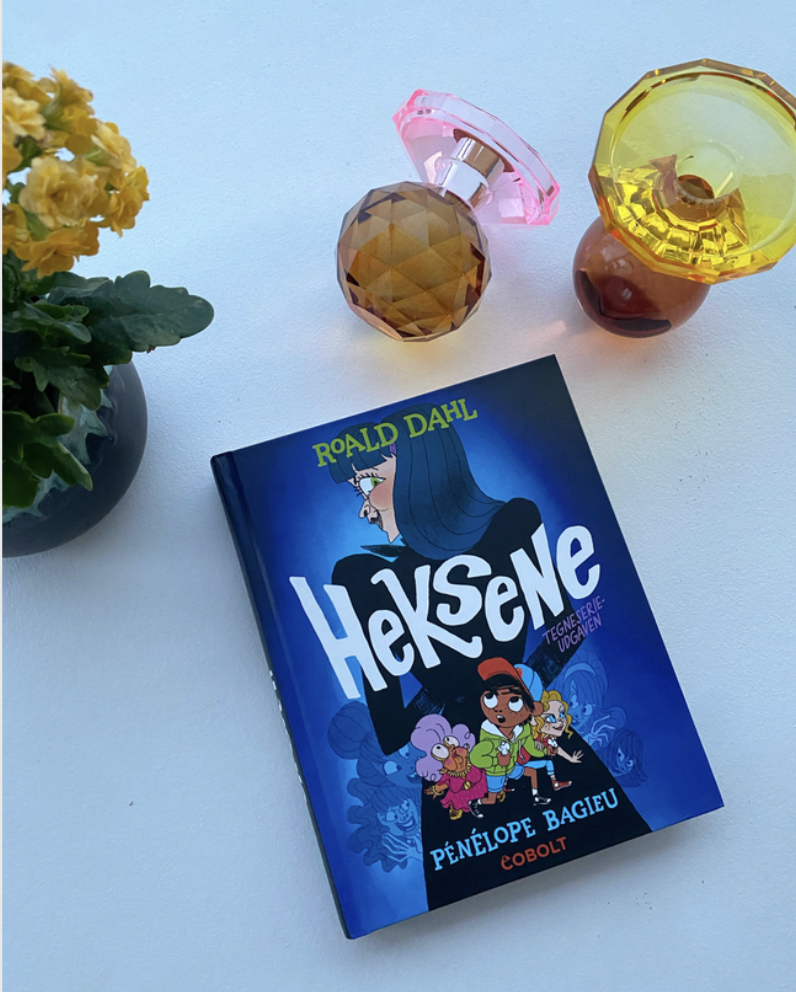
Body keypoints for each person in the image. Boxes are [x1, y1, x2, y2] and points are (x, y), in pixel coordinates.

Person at [328, 404, 582, 757]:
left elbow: (567, 632)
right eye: (359, 490)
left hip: (532, 741)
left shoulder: (510, 526)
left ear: (419, 470)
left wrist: (511, 697)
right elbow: (391, 732)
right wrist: (449, 699)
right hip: (456, 766)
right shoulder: (370, 581)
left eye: (371, 482)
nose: (365, 508)